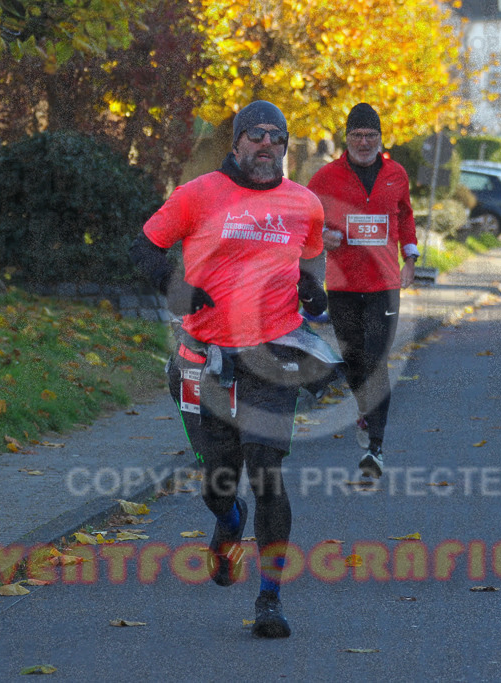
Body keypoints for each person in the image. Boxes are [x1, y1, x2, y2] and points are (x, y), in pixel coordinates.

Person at [128, 100, 341, 639]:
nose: (266, 144)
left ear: (286, 146)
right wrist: (177, 286)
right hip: (204, 360)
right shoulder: (198, 195)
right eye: (255, 135)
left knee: (267, 471)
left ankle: (269, 599)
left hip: (272, 357)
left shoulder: (304, 203)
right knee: (220, 483)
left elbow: (310, 256)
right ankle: (227, 522)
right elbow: (144, 247)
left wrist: (311, 286)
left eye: (277, 136)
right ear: (237, 143)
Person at [308, 103, 418, 479]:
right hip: (342, 284)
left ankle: (376, 447)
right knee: (355, 359)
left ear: (380, 138)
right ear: (347, 138)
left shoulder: (396, 174)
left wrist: (411, 257)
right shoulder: (325, 178)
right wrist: (322, 238)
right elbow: (305, 220)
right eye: (357, 135)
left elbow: (404, 215)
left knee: (376, 358)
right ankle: (363, 410)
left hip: (384, 283)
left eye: (371, 135)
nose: (364, 142)